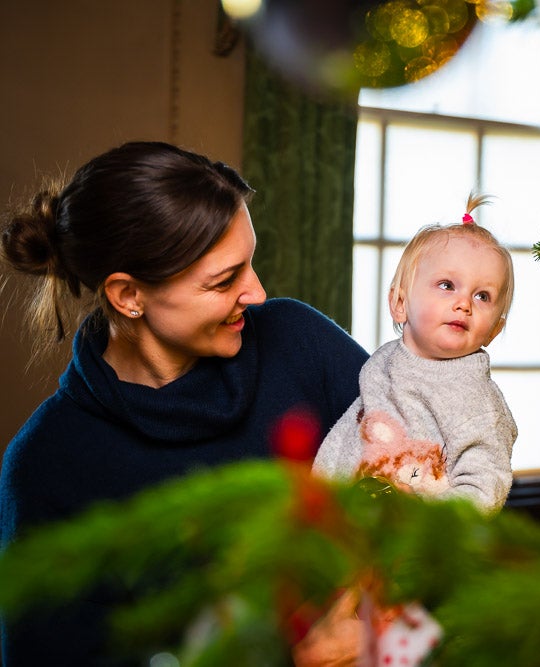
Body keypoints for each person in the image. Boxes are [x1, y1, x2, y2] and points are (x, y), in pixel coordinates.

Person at [0, 141, 369, 665]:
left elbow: (426, 490)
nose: (257, 293)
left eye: (250, 264)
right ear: (128, 295)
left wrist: (382, 636)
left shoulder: (300, 342)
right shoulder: (46, 465)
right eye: (224, 280)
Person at [312, 195, 517, 514]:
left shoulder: (476, 401)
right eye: (447, 285)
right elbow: (350, 435)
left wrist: (422, 515)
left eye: (482, 296)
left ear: (493, 330)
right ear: (399, 304)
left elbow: (484, 486)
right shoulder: (384, 363)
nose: (464, 303)